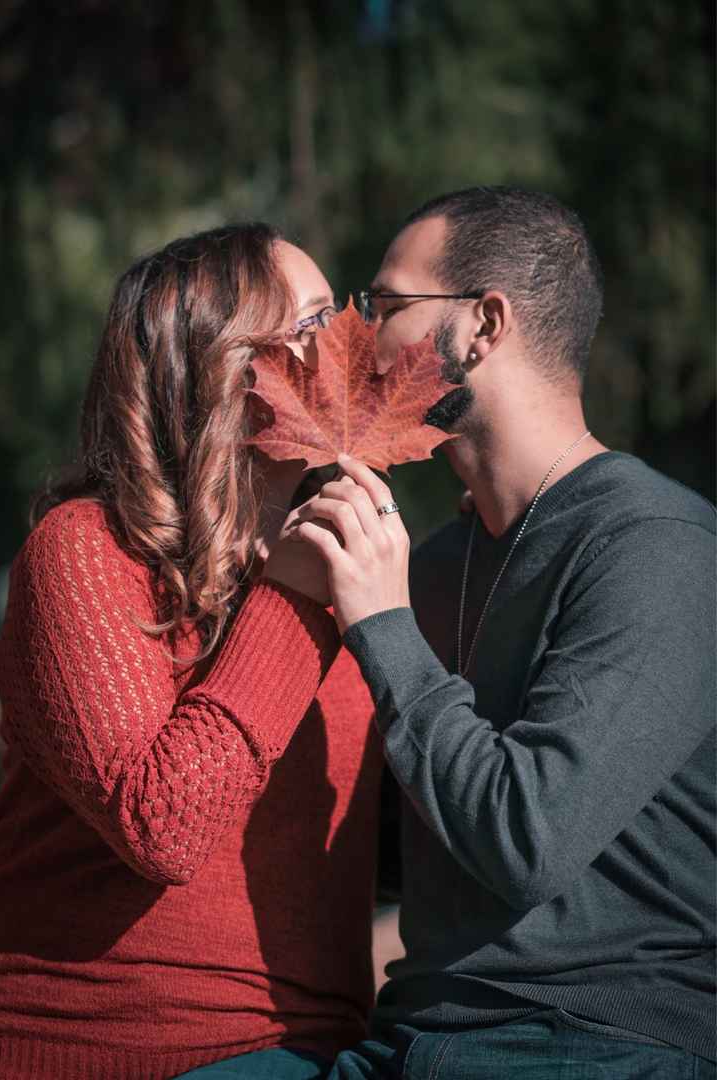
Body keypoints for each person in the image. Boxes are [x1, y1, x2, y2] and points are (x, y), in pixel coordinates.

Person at [291, 187, 716, 1078]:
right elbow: (395, 857)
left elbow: (527, 841)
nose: (358, 339)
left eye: (387, 307)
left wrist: (382, 623)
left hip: (595, 1041)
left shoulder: (660, 550)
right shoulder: (437, 562)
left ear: (483, 325)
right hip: (407, 1040)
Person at [0, 223, 385, 1080]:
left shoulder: (345, 566)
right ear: (224, 368)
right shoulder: (86, 550)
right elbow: (162, 826)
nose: (352, 342)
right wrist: (292, 599)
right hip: (118, 1050)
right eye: (316, 322)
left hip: (321, 1045)